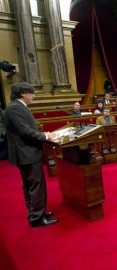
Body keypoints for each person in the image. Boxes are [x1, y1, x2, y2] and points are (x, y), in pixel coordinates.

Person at [4, 82, 58, 227]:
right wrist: (46, 137)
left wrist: (41, 134)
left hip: (26, 153)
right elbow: (25, 131)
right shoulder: (15, 108)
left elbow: (26, 129)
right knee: (35, 186)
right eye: (32, 93)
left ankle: (36, 213)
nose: (33, 96)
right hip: (26, 153)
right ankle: (37, 218)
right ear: (23, 93)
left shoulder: (17, 106)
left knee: (31, 185)